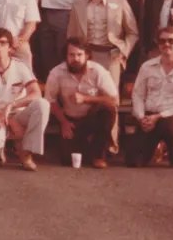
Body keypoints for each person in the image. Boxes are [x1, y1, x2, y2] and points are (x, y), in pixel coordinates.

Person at [0, 29, 50, 171]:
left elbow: (36, 93)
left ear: (10, 48)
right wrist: (10, 121)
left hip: (19, 113)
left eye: (3, 43)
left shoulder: (20, 66)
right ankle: (0, 147)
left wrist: (13, 105)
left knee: (42, 105)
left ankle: (25, 153)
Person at [128, 26, 173, 168]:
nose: (166, 44)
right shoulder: (147, 67)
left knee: (170, 127)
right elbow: (137, 95)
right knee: (133, 161)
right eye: (162, 41)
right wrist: (141, 117)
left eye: (171, 41)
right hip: (149, 117)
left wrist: (159, 116)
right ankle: (157, 147)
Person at [46, 39, 119, 169]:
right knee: (66, 160)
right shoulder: (56, 73)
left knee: (107, 109)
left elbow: (114, 99)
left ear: (87, 55)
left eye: (80, 55)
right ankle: (87, 146)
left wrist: (86, 99)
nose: (76, 59)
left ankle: (98, 155)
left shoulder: (98, 71)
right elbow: (50, 101)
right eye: (72, 55)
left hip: (93, 118)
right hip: (71, 121)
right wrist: (63, 122)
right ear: (66, 57)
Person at [67, 0, 139, 87]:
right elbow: (71, 34)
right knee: (86, 92)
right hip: (87, 55)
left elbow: (133, 32)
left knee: (110, 96)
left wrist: (124, 51)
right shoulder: (78, 3)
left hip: (111, 56)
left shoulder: (119, 1)